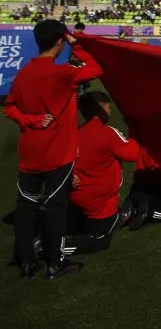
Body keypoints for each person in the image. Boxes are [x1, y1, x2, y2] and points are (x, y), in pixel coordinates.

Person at [3, 20, 103, 279]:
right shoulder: (63, 73)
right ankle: (55, 263)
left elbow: (9, 107)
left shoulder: (24, 73)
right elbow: (96, 68)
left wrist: (31, 121)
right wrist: (76, 44)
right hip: (58, 153)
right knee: (56, 208)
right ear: (59, 42)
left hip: (30, 153)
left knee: (26, 208)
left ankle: (25, 261)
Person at [62, 92, 139, 257]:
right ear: (102, 108)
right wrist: (134, 132)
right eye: (109, 107)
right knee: (100, 240)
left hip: (76, 196)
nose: (110, 111)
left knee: (81, 223)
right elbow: (132, 153)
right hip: (98, 202)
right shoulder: (107, 133)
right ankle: (51, 247)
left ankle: (76, 224)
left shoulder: (74, 135)